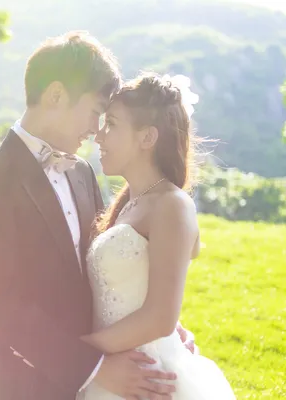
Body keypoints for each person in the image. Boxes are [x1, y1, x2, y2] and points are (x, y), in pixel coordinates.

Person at [0, 31, 196, 400]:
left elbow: (102, 268)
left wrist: (160, 326)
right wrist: (91, 365)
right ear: (56, 96)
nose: (96, 129)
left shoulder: (82, 173)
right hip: (21, 380)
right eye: (95, 113)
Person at [79, 72, 235, 399]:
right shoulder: (128, 204)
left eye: (112, 125)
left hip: (147, 376)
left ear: (147, 137)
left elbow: (161, 317)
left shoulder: (172, 205)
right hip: (112, 371)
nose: (99, 136)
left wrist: (80, 352)